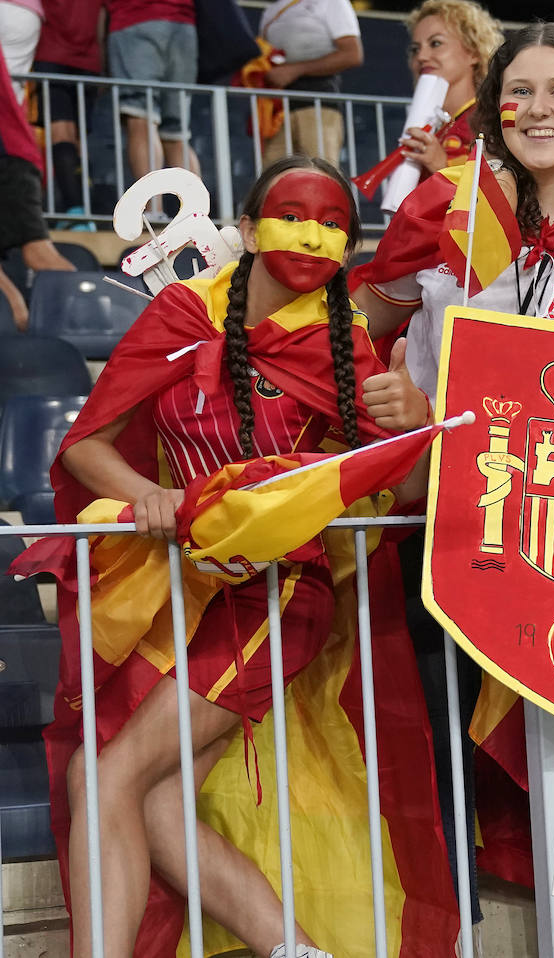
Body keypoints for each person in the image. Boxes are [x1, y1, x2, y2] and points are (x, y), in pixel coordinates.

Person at [42, 156, 453, 958]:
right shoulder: (180, 313)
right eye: (293, 213)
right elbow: (87, 445)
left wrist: (418, 417)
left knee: (102, 777)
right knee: (155, 805)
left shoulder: (345, 350)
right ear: (247, 228)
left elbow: (409, 492)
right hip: (179, 595)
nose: (311, 233)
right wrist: (145, 498)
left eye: (333, 223)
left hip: (275, 599)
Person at [352, 23, 554, 958]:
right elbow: (401, 347)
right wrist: (407, 404)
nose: (538, 108)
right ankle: (496, 934)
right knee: (481, 737)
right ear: (494, 108)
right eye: (520, 91)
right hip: (481, 519)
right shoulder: (478, 227)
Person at [0, 50, 74, 323]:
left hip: (9, 158)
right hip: (13, 155)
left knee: (39, 255)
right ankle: (21, 323)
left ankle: (90, 319)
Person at [396, 0, 502, 176]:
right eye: (415, 49)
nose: (421, 56)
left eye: (435, 43)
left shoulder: (492, 120)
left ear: (473, 52)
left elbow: (496, 194)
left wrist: (441, 166)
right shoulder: (425, 124)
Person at [106, 0, 201, 193]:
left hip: (134, 19)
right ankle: (196, 216)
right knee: (177, 133)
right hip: (183, 25)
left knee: (142, 120)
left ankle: (153, 214)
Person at [257, 0, 364, 165]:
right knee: (274, 182)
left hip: (318, 105)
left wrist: (294, 70)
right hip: (277, 112)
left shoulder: (332, 2)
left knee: (320, 176)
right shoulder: (270, 10)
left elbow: (352, 54)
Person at [28, 0, 101, 225]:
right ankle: (84, 210)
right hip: (90, 60)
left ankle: (76, 211)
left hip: (52, 54)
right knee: (79, 139)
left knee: (62, 134)